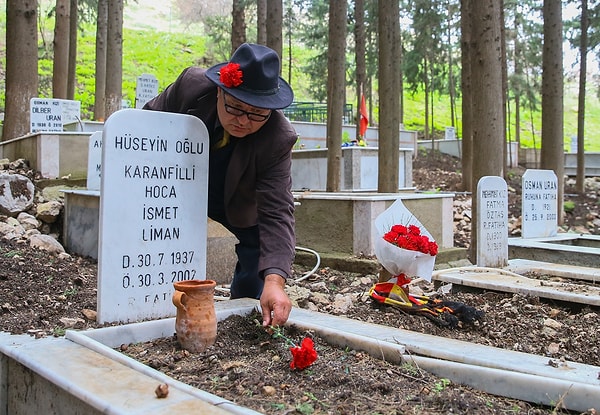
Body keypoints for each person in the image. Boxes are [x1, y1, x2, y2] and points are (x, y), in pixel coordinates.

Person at [144, 43, 296, 327]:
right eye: (236, 107)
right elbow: (145, 125)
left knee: (257, 253)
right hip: (177, 184)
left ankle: (242, 314)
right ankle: (149, 302)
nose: (243, 120)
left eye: (256, 114)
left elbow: (277, 212)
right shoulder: (190, 87)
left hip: (237, 197)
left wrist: (275, 281)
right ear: (220, 91)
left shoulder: (278, 137)